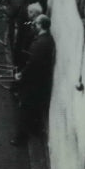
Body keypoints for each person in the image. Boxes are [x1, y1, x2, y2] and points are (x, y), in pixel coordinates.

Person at [12, 14, 54, 145]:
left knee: (24, 107)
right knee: (32, 107)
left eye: (35, 24)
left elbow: (32, 64)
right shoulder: (48, 40)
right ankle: (33, 129)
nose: (33, 26)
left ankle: (20, 137)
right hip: (39, 81)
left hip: (32, 82)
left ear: (41, 25)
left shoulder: (40, 44)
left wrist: (21, 75)